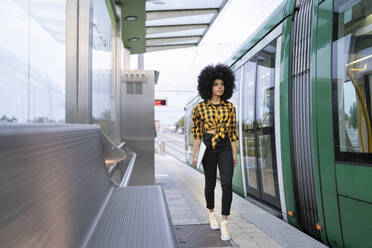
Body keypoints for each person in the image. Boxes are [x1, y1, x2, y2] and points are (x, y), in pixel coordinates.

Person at [191, 64, 238, 241]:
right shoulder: (199, 109)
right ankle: (211, 212)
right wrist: (195, 155)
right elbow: (197, 135)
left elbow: (233, 132)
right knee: (210, 183)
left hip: (225, 145)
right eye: (216, 84)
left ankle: (224, 221)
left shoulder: (230, 108)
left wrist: (234, 153)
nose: (220, 87)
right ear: (208, 86)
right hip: (208, 146)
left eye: (222, 84)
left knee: (227, 183)